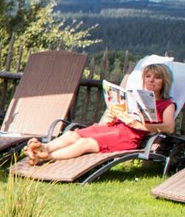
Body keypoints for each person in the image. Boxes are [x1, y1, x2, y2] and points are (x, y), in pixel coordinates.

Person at [26, 64, 176, 166]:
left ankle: (45, 156)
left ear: (164, 82)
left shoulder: (166, 104)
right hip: (113, 128)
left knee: (84, 143)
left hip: (127, 137)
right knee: (72, 135)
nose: (151, 80)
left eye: (156, 77)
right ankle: (44, 147)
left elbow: (169, 127)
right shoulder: (135, 97)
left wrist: (139, 125)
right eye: (148, 76)